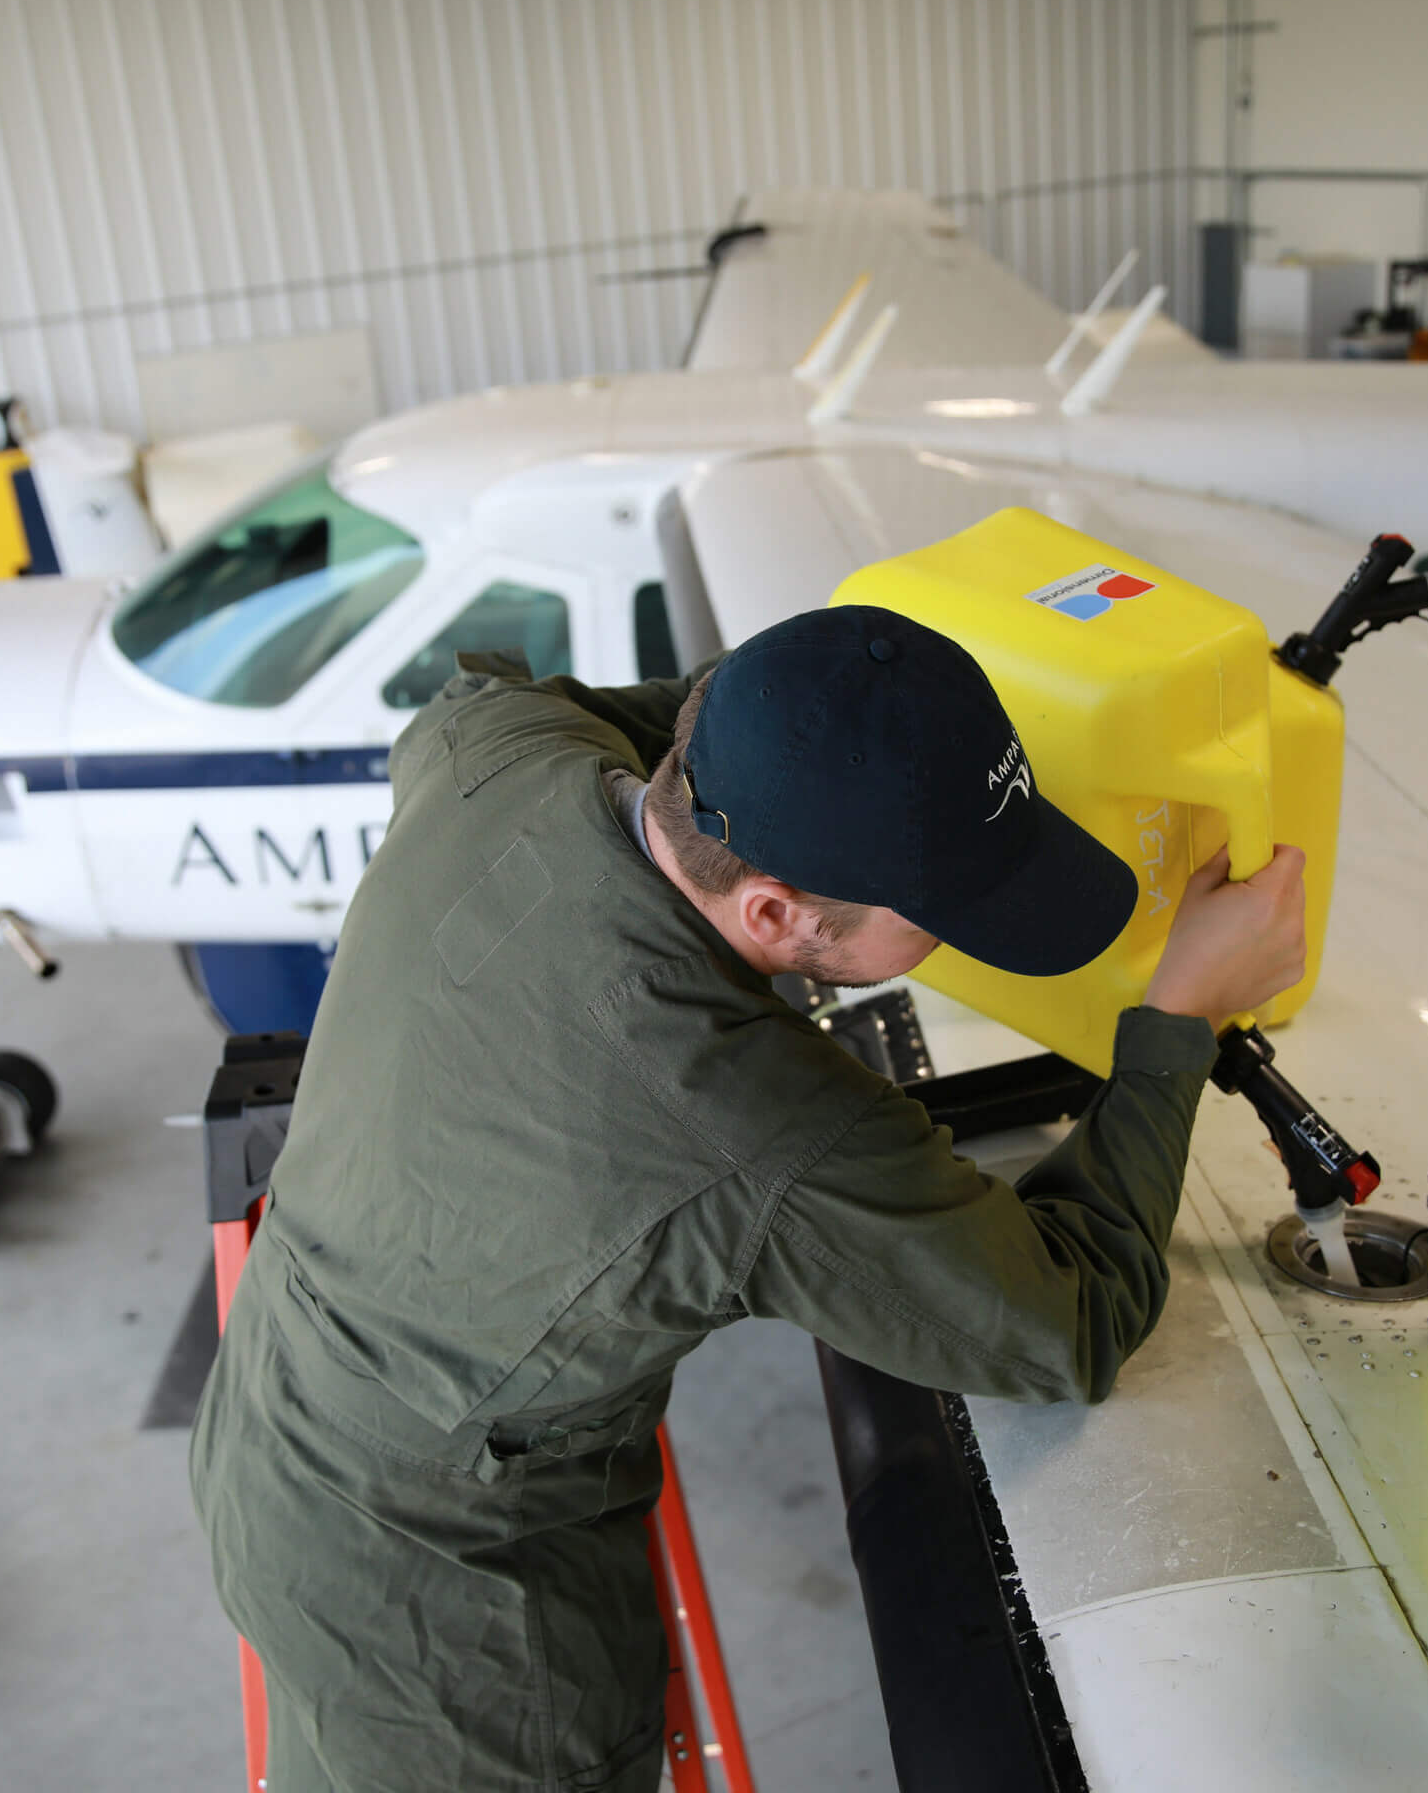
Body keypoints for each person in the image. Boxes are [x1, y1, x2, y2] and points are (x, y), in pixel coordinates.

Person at [191, 605, 1308, 1793]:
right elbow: (1065, 1320)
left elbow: (567, 707)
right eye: (939, 914)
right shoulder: (751, 1119)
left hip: (270, 1421)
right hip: (450, 1612)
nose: (958, 931)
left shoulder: (493, 754)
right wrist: (1181, 1015)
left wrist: (821, 721)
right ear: (775, 914)